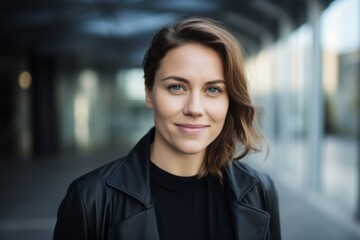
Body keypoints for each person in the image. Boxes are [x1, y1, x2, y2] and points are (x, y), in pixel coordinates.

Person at [53, 17, 281, 240]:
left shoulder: (259, 191)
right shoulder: (90, 199)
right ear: (149, 92)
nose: (194, 108)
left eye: (212, 90)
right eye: (177, 87)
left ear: (229, 99)